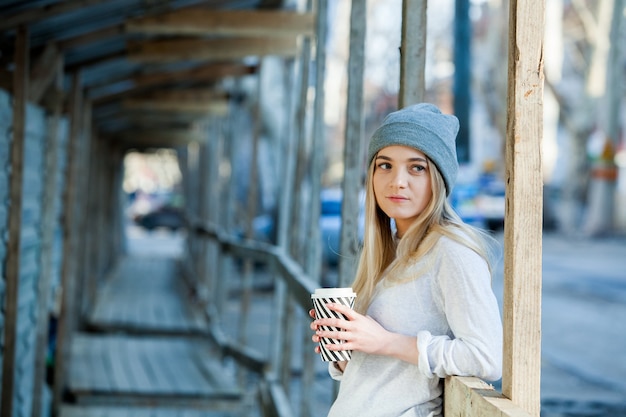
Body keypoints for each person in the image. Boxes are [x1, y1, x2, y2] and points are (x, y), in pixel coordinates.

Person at [310, 103, 503, 417]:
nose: (397, 181)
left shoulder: (452, 253)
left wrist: (385, 342)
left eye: (417, 167)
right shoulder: (387, 249)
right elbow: (388, 372)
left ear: (439, 179)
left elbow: (487, 357)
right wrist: (346, 350)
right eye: (385, 165)